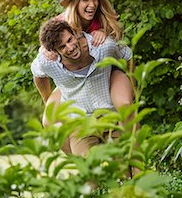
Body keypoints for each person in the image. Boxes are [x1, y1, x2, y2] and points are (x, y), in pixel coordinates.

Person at [31, 18, 133, 156]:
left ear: (75, 33)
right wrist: (47, 98)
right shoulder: (48, 62)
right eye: (62, 47)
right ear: (54, 51)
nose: (70, 47)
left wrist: (132, 86)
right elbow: (37, 73)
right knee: (87, 172)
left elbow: (126, 55)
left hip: (110, 117)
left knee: (122, 171)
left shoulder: (103, 47)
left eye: (69, 40)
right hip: (80, 123)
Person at [41, 0, 133, 124]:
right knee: (48, 121)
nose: (92, 4)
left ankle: (130, 142)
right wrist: (46, 49)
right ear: (75, 3)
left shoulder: (102, 18)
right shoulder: (59, 25)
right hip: (73, 80)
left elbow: (121, 48)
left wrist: (104, 32)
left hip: (106, 72)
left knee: (125, 105)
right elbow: (43, 53)